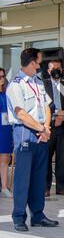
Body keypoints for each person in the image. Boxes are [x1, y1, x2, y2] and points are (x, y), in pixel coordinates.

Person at [6, 48, 59, 231]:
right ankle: (19, 217)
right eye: (39, 61)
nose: (40, 65)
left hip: (41, 133)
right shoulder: (16, 85)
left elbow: (46, 106)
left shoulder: (38, 82)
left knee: (38, 177)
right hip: (25, 133)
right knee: (23, 178)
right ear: (31, 63)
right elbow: (21, 114)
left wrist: (46, 128)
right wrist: (41, 128)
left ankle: (38, 215)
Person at [43, 59, 64, 197]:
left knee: (62, 158)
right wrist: (55, 115)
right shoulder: (43, 85)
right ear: (49, 71)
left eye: (59, 68)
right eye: (53, 68)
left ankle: (61, 188)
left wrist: (62, 116)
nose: (57, 70)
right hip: (48, 127)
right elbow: (43, 104)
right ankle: (45, 188)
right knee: (46, 158)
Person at [0, 68, 13, 198]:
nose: (2, 79)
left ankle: (4, 186)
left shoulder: (7, 93)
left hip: (6, 129)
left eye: (3, 76)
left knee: (5, 158)